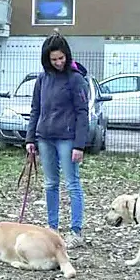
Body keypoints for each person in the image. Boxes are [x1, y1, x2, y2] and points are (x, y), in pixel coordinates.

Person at [25, 32, 89, 249]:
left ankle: (76, 231)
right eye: (54, 59)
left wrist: (79, 144)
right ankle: (51, 229)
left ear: (67, 56)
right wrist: (30, 138)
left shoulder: (76, 79)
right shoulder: (42, 79)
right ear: (47, 59)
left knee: (72, 183)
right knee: (50, 183)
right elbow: (35, 108)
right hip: (45, 137)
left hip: (68, 138)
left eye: (61, 58)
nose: (58, 62)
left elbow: (83, 112)